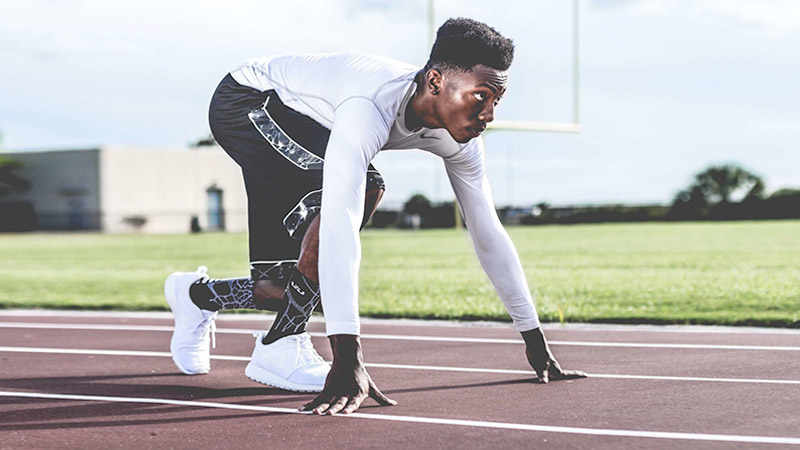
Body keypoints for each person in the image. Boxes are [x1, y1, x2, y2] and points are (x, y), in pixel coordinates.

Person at [165, 17, 585, 416]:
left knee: (280, 288)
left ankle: (196, 296)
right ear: (435, 81)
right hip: (248, 102)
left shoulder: (462, 141)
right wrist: (347, 359)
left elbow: (488, 233)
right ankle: (280, 342)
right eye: (480, 96)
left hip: (308, 122)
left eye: (497, 100)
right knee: (364, 189)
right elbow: (341, 221)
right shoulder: (369, 105)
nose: (490, 114)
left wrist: (534, 341)